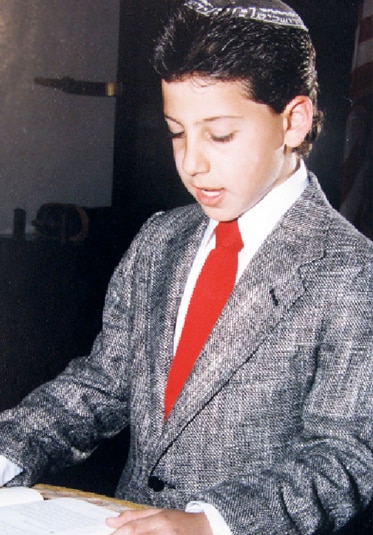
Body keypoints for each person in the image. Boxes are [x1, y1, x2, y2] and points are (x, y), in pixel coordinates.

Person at [1, 1, 372, 534]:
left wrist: (211, 522)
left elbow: (345, 458)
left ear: (293, 122)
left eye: (220, 135)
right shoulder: (161, 239)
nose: (191, 162)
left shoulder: (351, 272)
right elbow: (103, 384)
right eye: (178, 132)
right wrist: (8, 450)